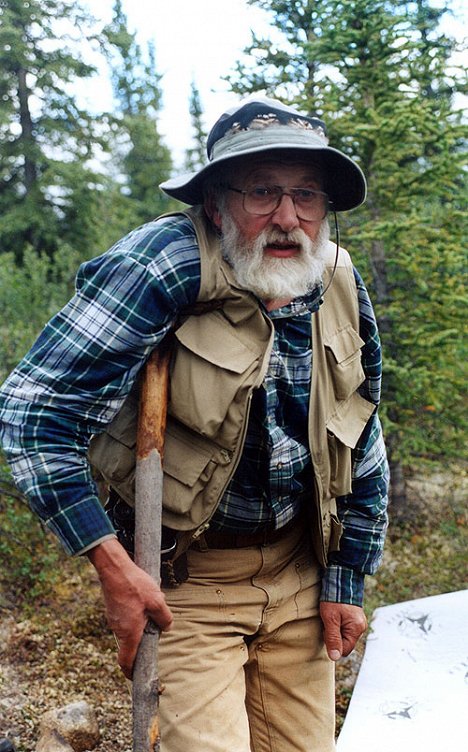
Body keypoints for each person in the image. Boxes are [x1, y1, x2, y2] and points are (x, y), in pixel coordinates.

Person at [0, 97, 389, 751]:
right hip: (188, 588)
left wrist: (346, 581)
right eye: (263, 191)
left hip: (302, 573)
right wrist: (115, 570)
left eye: (306, 194)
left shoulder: (336, 277)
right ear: (215, 202)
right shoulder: (161, 264)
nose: (289, 218)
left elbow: (364, 430)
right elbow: (33, 412)